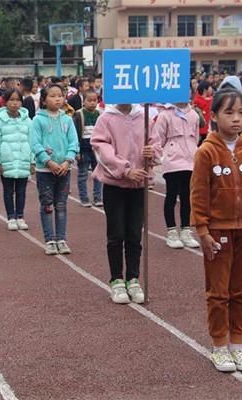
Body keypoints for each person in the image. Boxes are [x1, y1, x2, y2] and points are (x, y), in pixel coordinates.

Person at [190, 88, 242, 373]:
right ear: (213, 116)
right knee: (218, 292)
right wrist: (202, 231)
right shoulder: (206, 152)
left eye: (241, 113)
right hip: (218, 231)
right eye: (229, 113)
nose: (236, 119)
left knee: (241, 291)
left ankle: (238, 344)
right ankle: (219, 346)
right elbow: (198, 195)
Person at [91, 103, 162, 304]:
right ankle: (116, 280)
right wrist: (125, 170)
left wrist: (153, 154)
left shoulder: (144, 116)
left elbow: (156, 145)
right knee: (116, 234)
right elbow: (101, 149)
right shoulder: (106, 118)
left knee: (134, 233)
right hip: (115, 185)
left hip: (139, 185)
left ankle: (133, 278)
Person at [31, 83, 79, 255]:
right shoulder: (38, 120)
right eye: (52, 95)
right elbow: (35, 144)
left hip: (64, 170)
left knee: (61, 204)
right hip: (45, 171)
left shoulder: (67, 119)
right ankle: (50, 239)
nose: (57, 98)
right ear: (44, 99)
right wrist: (48, 161)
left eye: (60, 95)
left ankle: (61, 239)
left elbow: (74, 142)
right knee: (47, 204)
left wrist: (67, 161)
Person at [153, 102, 200, 249]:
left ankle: (186, 230)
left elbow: (195, 137)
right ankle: (171, 231)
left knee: (187, 196)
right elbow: (158, 138)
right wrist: (162, 156)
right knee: (171, 195)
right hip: (172, 161)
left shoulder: (193, 115)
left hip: (190, 161)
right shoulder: (165, 114)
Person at [0, 88, 34, 230]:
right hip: (6, 160)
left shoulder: (27, 120)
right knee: (8, 190)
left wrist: (32, 161)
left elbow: (33, 141)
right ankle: (11, 217)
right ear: (5, 101)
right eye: (11, 100)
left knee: (21, 190)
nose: (15, 103)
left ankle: (20, 216)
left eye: (17, 100)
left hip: (23, 159)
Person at [72, 89, 103, 208]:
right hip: (84, 149)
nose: (92, 103)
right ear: (83, 101)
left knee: (98, 174)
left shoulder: (100, 114)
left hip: (97, 149)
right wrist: (77, 150)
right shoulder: (79, 114)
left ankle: (97, 197)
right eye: (89, 100)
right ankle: (84, 198)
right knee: (83, 174)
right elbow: (74, 133)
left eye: (94, 100)